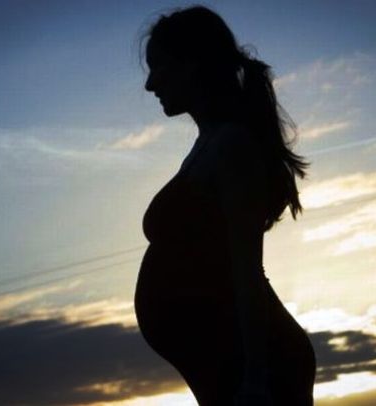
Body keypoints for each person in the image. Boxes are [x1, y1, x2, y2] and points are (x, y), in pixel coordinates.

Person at [133, 5, 316, 405]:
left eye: (158, 66)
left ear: (192, 65)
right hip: (226, 364)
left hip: (257, 368)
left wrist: (255, 379)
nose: (150, 84)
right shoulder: (209, 145)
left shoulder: (232, 146)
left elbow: (247, 270)